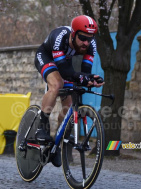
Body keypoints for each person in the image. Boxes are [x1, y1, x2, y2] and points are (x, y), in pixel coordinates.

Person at [34, 15, 104, 167]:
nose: (86, 42)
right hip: (46, 57)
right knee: (57, 84)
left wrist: (91, 79)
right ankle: (42, 126)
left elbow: (85, 71)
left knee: (69, 106)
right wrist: (83, 78)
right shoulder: (61, 37)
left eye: (90, 38)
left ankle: (55, 144)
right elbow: (65, 71)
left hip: (65, 63)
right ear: (73, 34)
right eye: (83, 38)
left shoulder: (91, 45)